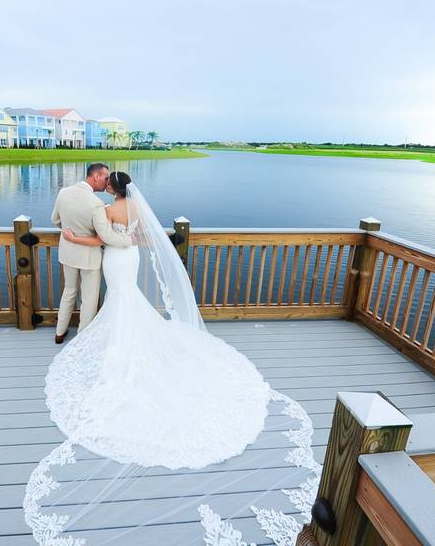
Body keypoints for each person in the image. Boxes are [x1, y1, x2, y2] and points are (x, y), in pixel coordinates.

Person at [24, 171, 319, 545]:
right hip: (129, 256)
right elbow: (132, 235)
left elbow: (103, 238)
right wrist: (121, 237)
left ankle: (104, 340)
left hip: (114, 257)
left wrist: (74, 236)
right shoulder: (132, 206)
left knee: (117, 301)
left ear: (109, 186)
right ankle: (117, 335)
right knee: (127, 301)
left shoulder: (107, 208)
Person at [50, 162, 132, 344]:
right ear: (96, 176)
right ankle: (82, 337)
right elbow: (106, 236)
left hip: (68, 253)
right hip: (90, 257)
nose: (107, 182)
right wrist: (128, 241)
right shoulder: (97, 204)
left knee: (69, 291)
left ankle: (59, 332)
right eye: (105, 177)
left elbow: (55, 219)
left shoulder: (63, 193)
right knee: (89, 298)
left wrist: (70, 233)